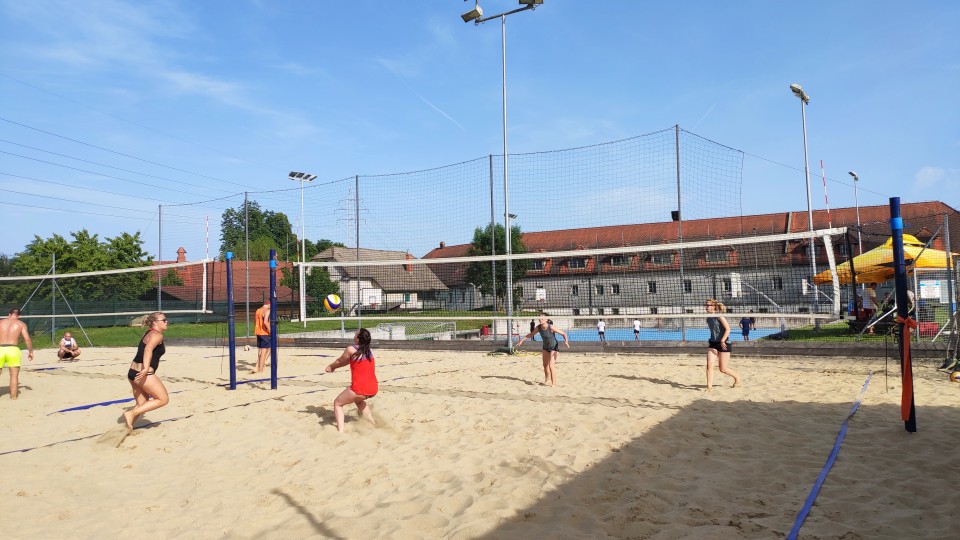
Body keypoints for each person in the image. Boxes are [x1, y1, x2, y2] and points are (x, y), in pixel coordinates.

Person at [122, 312, 170, 431]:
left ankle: (125, 429)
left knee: (141, 405)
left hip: (132, 372)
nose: (166, 321)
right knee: (163, 399)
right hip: (143, 373)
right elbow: (148, 350)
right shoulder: (157, 335)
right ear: (155, 322)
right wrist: (145, 369)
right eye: (163, 320)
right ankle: (130, 414)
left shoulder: (148, 333)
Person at [325, 328, 377, 433]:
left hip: (359, 388)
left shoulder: (351, 349)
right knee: (359, 400)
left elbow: (340, 361)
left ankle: (340, 431)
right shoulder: (368, 351)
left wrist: (331, 366)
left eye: (355, 334)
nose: (353, 335)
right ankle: (372, 423)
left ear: (358, 339)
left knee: (337, 403)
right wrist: (335, 367)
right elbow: (347, 361)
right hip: (373, 388)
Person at [517, 315, 570, 387]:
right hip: (545, 347)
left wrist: (566, 341)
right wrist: (522, 340)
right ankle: (547, 379)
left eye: (542, 319)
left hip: (554, 347)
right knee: (545, 365)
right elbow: (531, 334)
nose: (540, 320)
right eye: (539, 318)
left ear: (546, 320)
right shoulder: (538, 327)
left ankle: (553, 383)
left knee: (551, 365)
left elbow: (564, 334)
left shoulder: (550, 327)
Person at [704, 299, 741, 392]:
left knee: (723, 369)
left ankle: (737, 378)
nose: (707, 306)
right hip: (713, 343)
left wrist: (722, 340)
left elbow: (728, 329)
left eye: (709, 305)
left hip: (724, 343)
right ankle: (709, 387)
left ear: (714, 306)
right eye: (706, 305)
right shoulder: (708, 318)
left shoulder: (719, 316)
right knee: (709, 365)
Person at [0, 308, 33, 400]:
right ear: (18, 316)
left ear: (9, 314)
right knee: (14, 375)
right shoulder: (21, 324)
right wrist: (30, 351)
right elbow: (27, 339)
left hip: (0, 348)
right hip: (13, 349)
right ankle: (13, 397)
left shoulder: (1, 322)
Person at [253, 300, 271, 373]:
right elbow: (265, 322)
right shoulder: (267, 310)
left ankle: (257, 367)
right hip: (264, 333)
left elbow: (256, 321)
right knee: (265, 350)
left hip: (258, 332)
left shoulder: (258, 310)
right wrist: (270, 330)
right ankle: (260, 369)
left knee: (260, 350)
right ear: (269, 305)